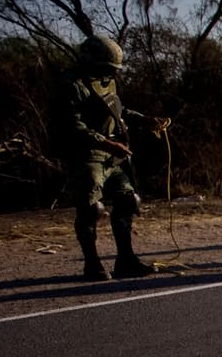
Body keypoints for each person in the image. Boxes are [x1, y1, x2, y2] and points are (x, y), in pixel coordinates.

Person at [53, 34, 168, 281]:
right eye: (107, 69)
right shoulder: (71, 85)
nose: (112, 74)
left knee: (128, 201)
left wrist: (144, 120)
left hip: (112, 154)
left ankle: (126, 260)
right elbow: (72, 126)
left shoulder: (106, 82)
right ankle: (92, 264)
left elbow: (118, 109)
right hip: (88, 155)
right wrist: (107, 143)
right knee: (91, 209)